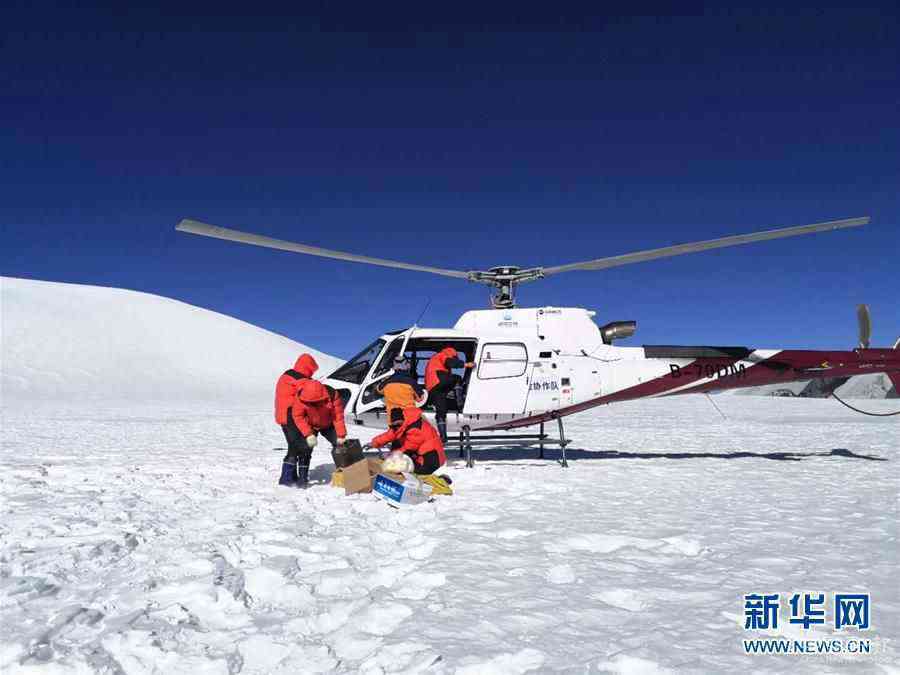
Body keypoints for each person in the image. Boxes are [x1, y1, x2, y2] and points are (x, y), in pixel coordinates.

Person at [275, 353, 347, 487]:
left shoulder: (286, 376)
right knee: (301, 448)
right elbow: (301, 407)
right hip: (296, 418)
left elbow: (337, 415)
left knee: (295, 448)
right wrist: (308, 433)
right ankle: (294, 479)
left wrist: (341, 434)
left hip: (286, 417)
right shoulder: (303, 385)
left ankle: (291, 478)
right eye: (312, 371)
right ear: (308, 368)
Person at [370, 407, 446, 475]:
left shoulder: (415, 428)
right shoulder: (402, 426)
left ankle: (441, 479)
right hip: (419, 454)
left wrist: (390, 455)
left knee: (418, 473)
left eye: (398, 424)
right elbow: (390, 435)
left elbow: (408, 448)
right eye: (393, 425)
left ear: (403, 420)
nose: (396, 427)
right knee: (397, 446)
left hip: (432, 457)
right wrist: (374, 443)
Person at [424, 347, 474, 442]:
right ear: (452, 354)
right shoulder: (442, 355)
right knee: (457, 379)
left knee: (441, 411)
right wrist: (466, 364)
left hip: (432, 387)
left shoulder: (434, 359)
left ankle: (443, 436)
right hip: (438, 378)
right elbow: (450, 362)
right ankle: (460, 404)